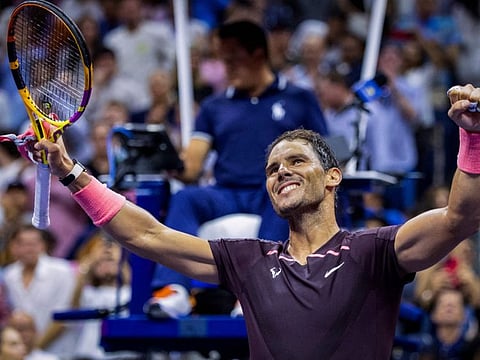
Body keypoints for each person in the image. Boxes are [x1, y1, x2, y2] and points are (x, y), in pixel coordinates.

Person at [31, 83, 480, 359]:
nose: (280, 171)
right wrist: (70, 172)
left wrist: (472, 138)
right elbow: (147, 234)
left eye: (296, 161)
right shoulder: (248, 260)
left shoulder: (374, 251)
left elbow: (461, 217)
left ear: (332, 178)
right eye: (271, 169)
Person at [145, 19, 329, 318]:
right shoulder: (214, 107)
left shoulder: (300, 99)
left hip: (272, 191)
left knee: (286, 196)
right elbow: (191, 167)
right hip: (227, 192)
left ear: (258, 54)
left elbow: (324, 154)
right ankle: (173, 290)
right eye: (223, 59)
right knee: (185, 199)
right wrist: (168, 160)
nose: (226, 67)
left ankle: (257, 293)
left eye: (233, 59)